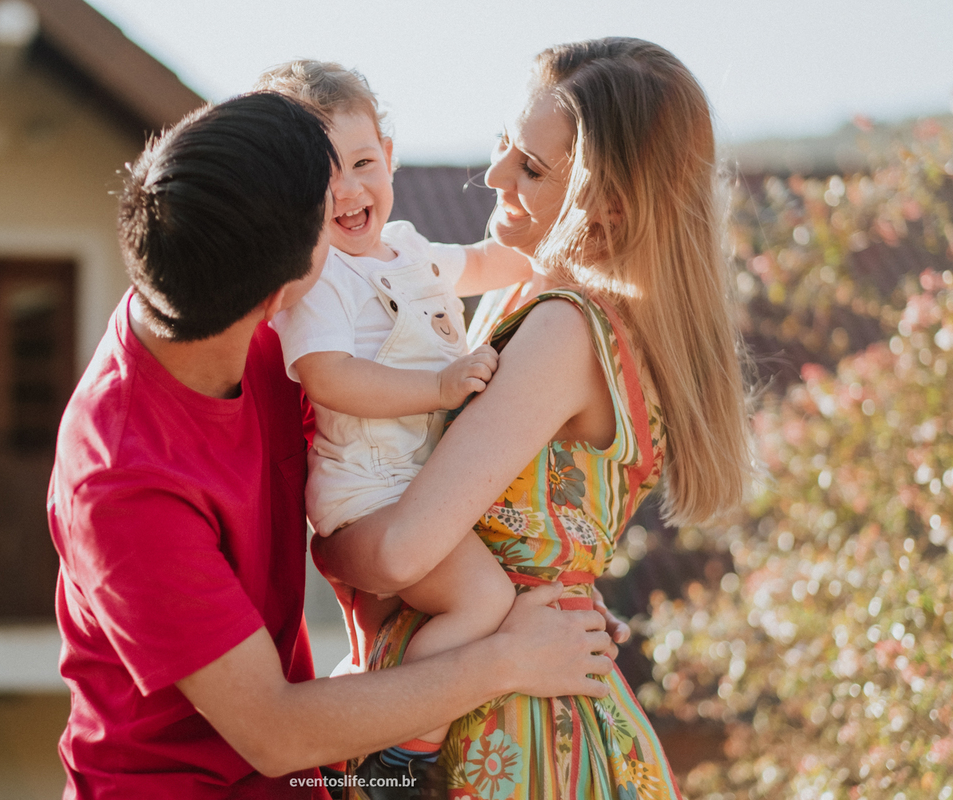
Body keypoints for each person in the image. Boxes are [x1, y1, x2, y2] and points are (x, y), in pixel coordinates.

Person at [47, 91, 624, 800]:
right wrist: (508, 658)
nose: (352, 206)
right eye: (328, 208)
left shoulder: (218, 297)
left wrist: (542, 580)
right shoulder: (125, 484)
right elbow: (273, 731)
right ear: (289, 290)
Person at [313, 38, 753, 800]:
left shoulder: (563, 328)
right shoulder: (550, 308)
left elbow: (403, 551)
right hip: (517, 693)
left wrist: (323, 539)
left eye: (532, 168)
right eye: (503, 145)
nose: (493, 177)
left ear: (608, 207)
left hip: (506, 731)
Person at [256, 60, 534, 775]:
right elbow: (330, 378)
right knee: (484, 598)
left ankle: (370, 699)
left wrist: (553, 258)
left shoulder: (408, 248)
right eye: (322, 179)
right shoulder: (319, 278)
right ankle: (403, 744)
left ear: (389, 155)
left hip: (416, 488)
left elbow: (481, 263)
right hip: (369, 495)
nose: (349, 190)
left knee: (445, 608)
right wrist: (438, 387)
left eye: (362, 163)